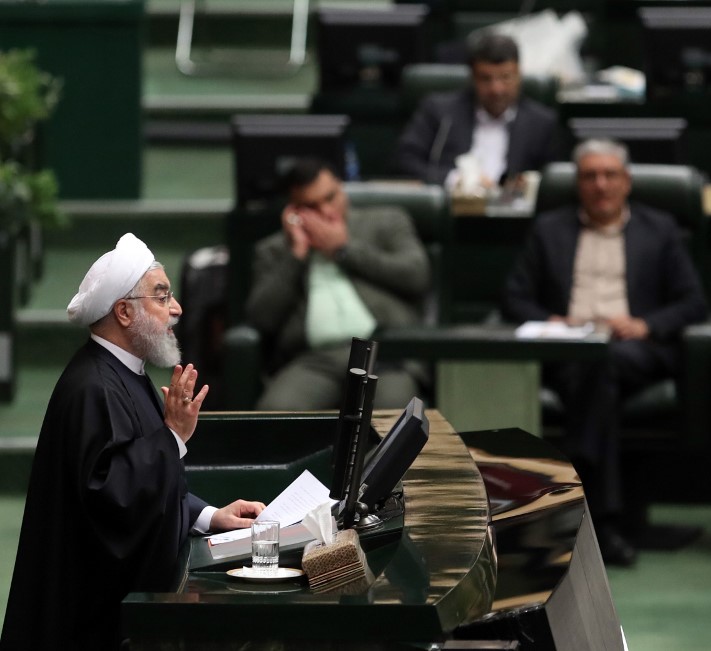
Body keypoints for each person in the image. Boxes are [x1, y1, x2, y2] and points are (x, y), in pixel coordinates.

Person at [1, 234, 266, 651]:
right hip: (91, 625)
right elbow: (114, 502)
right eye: (162, 296)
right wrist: (173, 435)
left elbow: (143, 485)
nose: (177, 309)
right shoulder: (93, 388)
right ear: (124, 312)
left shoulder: (125, 372)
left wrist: (208, 515)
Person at [502, 139, 708, 566]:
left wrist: (646, 324)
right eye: (590, 176)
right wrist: (553, 320)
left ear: (626, 181)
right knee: (594, 372)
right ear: (578, 184)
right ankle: (604, 522)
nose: (601, 185)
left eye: (610, 175)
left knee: (603, 364)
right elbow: (514, 298)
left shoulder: (660, 229)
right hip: (568, 351)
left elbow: (693, 302)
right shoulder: (549, 230)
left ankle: (580, 506)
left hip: (633, 348)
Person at [247, 158, 431, 410]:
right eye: (311, 206)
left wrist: (344, 250)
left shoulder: (386, 221)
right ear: (293, 211)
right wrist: (296, 256)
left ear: (341, 189)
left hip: (385, 355)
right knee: (275, 412)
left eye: (330, 197)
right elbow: (262, 318)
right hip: (314, 361)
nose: (326, 211)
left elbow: (417, 276)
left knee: (394, 413)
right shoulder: (274, 250)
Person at [395, 31, 561, 187]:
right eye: (486, 79)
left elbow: (555, 179)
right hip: (453, 203)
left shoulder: (542, 122)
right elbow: (404, 161)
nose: (496, 89)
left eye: (505, 77)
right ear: (472, 78)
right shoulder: (439, 112)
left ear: (519, 75)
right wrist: (454, 179)